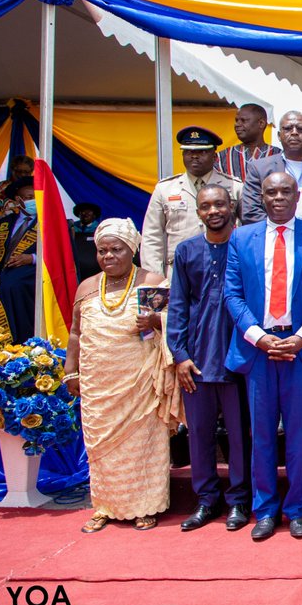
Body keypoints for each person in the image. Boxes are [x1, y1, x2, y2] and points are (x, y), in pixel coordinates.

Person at [224, 172, 302, 541]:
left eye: (285, 191)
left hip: (300, 351)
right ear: (260, 196)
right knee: (261, 435)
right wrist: (258, 338)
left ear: (297, 194)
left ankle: (297, 509)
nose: (278, 198)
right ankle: (265, 509)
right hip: (259, 351)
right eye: (270, 192)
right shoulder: (242, 237)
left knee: (300, 435)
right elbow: (233, 294)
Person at [64, 218, 183, 533]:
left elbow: (175, 321)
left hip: (140, 382)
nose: (108, 256)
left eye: (116, 249)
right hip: (97, 384)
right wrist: (70, 371)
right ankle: (104, 506)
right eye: (102, 251)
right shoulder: (87, 286)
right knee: (101, 450)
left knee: (143, 445)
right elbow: (75, 333)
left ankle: (146, 507)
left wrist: (156, 321)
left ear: (132, 249)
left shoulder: (150, 281)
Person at [167, 185, 251, 532]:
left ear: (231, 206)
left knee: (239, 435)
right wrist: (180, 355)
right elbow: (178, 306)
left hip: (239, 358)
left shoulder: (247, 246)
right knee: (199, 435)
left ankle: (239, 501)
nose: (214, 210)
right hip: (197, 361)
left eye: (219, 204)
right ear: (198, 212)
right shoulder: (187, 251)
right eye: (206, 206)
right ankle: (205, 501)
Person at [141, 127, 243, 278]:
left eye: (202, 152)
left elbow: (246, 231)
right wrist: (156, 278)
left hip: (223, 269)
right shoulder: (165, 189)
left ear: (214, 156)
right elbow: (152, 236)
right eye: (189, 152)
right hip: (177, 273)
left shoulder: (234, 187)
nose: (194, 157)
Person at [0, 177, 38, 343]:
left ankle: (19, 340)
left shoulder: (51, 224)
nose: (33, 201)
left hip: (33, 272)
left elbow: (63, 255)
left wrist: (31, 258)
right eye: (29, 198)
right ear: (18, 200)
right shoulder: (2, 224)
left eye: (36, 196)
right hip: (0, 271)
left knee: (12, 285)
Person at [215, 103, 281, 181]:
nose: (237, 124)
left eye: (243, 120)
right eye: (236, 120)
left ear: (261, 123)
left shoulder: (278, 155)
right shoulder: (222, 156)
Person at [70, 202, 103, 282]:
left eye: (88, 212)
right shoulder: (72, 228)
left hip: (95, 268)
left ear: (94, 215)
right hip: (76, 268)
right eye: (82, 212)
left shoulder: (100, 228)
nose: (85, 214)